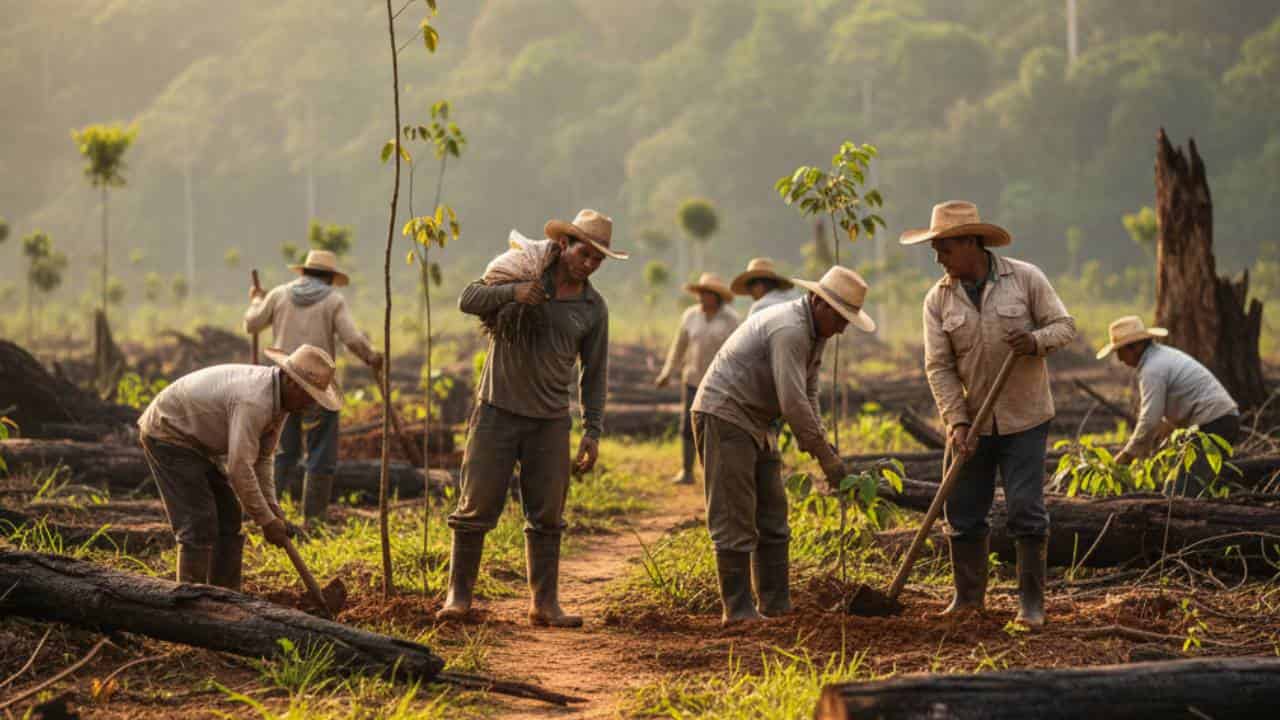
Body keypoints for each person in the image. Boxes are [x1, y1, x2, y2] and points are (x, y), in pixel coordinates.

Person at [439, 209, 628, 627]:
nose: (590, 263)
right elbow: (467, 299)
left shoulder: (593, 308)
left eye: (599, 259)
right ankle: (458, 597)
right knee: (475, 509)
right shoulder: (524, 275)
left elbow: (594, 375)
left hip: (550, 421)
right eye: (586, 253)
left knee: (546, 516)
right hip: (496, 413)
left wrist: (592, 431)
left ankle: (545, 603)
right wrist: (514, 294)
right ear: (564, 246)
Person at [901, 200, 1076, 627]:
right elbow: (938, 366)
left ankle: (1031, 606)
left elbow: (1065, 327)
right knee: (961, 510)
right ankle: (967, 601)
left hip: (1025, 418)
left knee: (1025, 511)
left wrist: (1034, 342)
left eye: (943, 248)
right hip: (972, 421)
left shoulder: (1026, 279)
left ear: (969, 243)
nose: (938, 258)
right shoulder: (937, 299)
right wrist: (956, 421)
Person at [692, 266, 876, 625]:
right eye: (840, 318)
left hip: (759, 422)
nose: (841, 328)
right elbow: (792, 402)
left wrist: (825, 447)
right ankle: (739, 609)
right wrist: (826, 458)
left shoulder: (815, 333)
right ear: (819, 302)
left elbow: (808, 392)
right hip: (725, 414)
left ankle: (775, 603)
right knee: (735, 515)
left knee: (773, 515)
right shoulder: (790, 329)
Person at [137, 344, 342, 588]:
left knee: (229, 517)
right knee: (199, 521)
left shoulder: (281, 402)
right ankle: (190, 602)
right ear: (292, 382)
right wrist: (266, 522)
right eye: (309, 395)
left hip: (198, 442)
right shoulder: (255, 401)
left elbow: (262, 458)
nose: (310, 404)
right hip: (168, 432)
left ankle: (226, 597)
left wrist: (272, 508)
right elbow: (239, 468)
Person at [243, 249, 383, 524]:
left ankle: (269, 514)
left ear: (304, 271)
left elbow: (252, 324)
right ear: (330, 277)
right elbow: (351, 338)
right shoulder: (333, 300)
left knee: (282, 450)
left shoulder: (279, 294)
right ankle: (314, 519)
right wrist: (371, 356)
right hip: (320, 387)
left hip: (282, 383)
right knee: (321, 452)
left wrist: (256, 300)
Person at [1096, 315, 1240, 493]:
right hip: (1220, 421)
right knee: (1190, 484)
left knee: (1177, 491)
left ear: (1133, 347)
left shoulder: (1152, 369)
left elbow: (1149, 419)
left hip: (1215, 424)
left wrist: (1127, 455)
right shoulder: (1160, 357)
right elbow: (1165, 418)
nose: (1119, 359)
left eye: (1120, 352)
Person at [655, 272, 740, 485]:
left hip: (720, 383)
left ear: (717, 297)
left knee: (716, 427)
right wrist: (667, 372)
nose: (702, 298)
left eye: (707, 294)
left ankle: (716, 472)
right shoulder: (690, 316)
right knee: (688, 425)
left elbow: (739, 351)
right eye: (701, 293)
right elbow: (679, 346)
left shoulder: (731, 319)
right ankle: (687, 471)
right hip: (692, 379)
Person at [730, 257, 796, 317]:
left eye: (750, 284)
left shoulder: (760, 307)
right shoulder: (794, 299)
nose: (749, 290)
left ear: (760, 285)